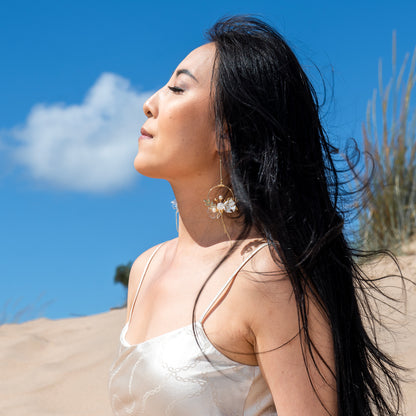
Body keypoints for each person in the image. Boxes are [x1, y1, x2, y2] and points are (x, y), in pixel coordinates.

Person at [109, 16, 403, 416]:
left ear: (227, 133)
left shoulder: (265, 274)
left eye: (177, 88)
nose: (150, 102)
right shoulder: (145, 269)